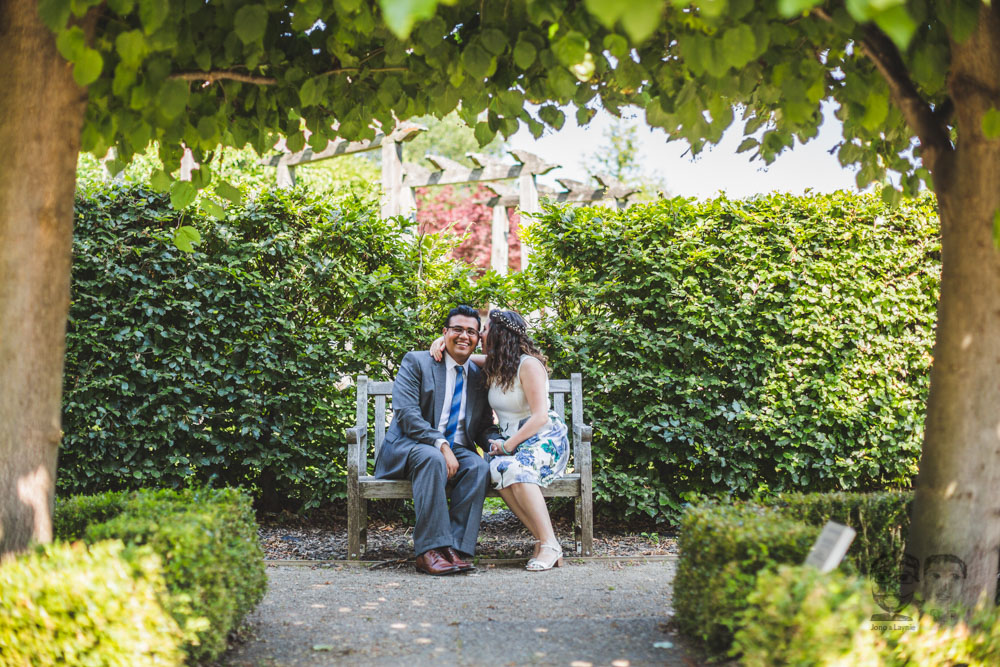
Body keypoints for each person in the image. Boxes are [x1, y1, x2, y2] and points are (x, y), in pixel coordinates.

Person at [432, 309, 570, 571]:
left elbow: (540, 416)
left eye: (484, 330)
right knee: (496, 469)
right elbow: (463, 355)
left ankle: (549, 544)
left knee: (515, 469)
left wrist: (507, 445)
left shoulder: (528, 365)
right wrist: (440, 342)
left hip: (543, 438)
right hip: (514, 442)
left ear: (498, 334)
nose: (480, 335)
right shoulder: (497, 364)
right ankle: (547, 540)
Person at [374, 305, 499, 576]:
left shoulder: (479, 377)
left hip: (457, 449)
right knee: (433, 458)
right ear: (444, 333)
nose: (464, 336)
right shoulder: (418, 362)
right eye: (457, 329)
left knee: (478, 467)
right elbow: (406, 414)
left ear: (478, 339)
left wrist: (501, 444)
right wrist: (440, 443)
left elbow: (484, 427)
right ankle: (428, 552)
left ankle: (456, 549)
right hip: (409, 448)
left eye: (471, 332)